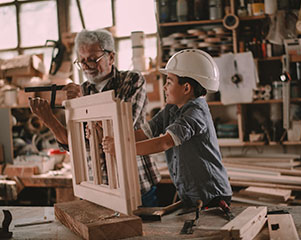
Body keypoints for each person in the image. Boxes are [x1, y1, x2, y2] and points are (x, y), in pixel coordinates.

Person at [28, 29, 161, 206]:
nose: (86, 65)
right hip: (97, 189)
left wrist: (82, 102)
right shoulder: (84, 90)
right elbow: (74, 144)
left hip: (135, 185)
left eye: (92, 59)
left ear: (111, 57)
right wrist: (49, 119)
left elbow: (121, 128)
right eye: (81, 61)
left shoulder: (131, 81)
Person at [103, 49, 232, 208]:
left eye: (169, 82)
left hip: (212, 194)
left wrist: (121, 149)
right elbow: (144, 133)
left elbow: (163, 143)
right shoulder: (171, 109)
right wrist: (114, 138)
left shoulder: (196, 113)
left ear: (186, 88)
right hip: (190, 192)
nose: (164, 87)